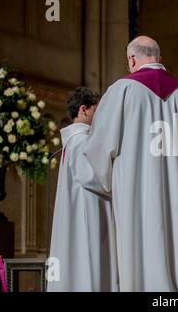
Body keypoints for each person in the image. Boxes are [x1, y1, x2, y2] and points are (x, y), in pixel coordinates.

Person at [81, 36, 178, 291]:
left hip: (136, 186)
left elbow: (100, 145)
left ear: (132, 59)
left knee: (141, 242)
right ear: (159, 57)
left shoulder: (122, 89)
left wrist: (106, 182)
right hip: (177, 186)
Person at [48, 87, 118, 292]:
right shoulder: (81, 140)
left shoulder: (76, 140)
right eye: (97, 111)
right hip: (89, 212)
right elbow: (93, 177)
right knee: (91, 264)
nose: (101, 117)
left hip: (87, 208)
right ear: (83, 110)